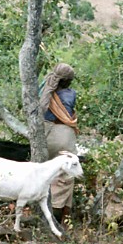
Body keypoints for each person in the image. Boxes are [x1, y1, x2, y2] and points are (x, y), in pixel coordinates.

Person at [40, 62, 78, 225]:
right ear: (69, 82)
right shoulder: (71, 94)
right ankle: (58, 213)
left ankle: (39, 205)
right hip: (64, 136)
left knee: (44, 171)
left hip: (44, 134)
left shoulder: (43, 91)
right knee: (66, 175)